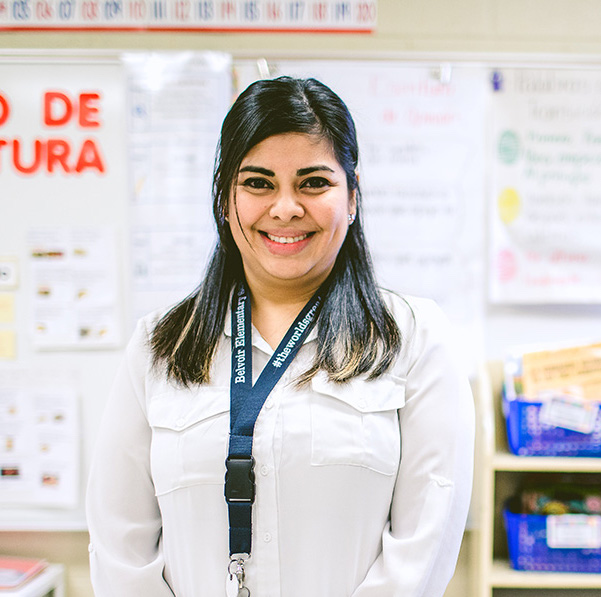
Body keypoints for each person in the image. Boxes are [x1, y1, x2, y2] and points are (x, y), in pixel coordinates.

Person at [86, 76, 475, 597]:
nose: (286, 207)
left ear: (353, 196)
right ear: (226, 200)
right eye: (259, 183)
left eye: (314, 183)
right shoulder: (159, 347)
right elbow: (119, 546)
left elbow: (425, 544)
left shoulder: (413, 341)